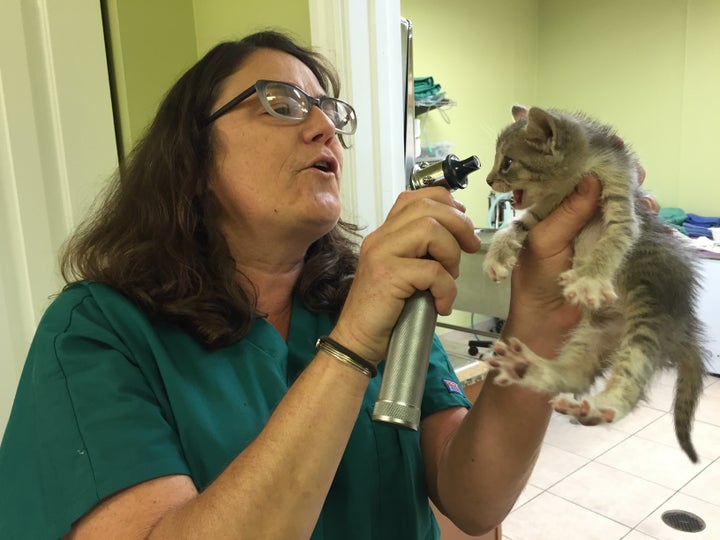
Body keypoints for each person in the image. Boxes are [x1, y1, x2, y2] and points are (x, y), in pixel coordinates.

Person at [0, 30, 602, 539]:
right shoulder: (97, 335)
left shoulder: (378, 301)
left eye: (331, 113)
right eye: (281, 103)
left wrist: (541, 321)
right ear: (194, 155)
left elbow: (473, 501)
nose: (323, 128)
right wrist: (354, 344)